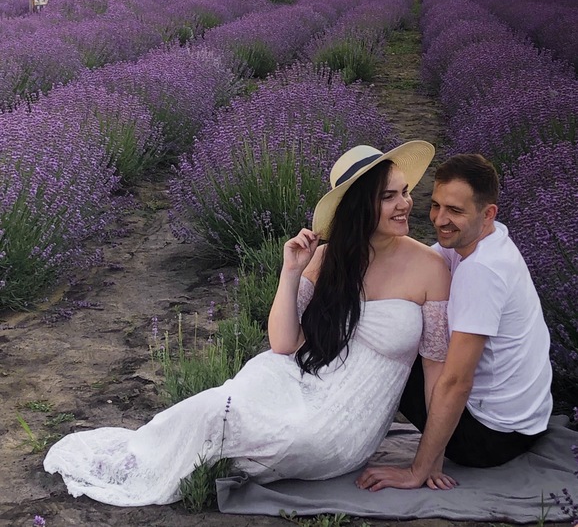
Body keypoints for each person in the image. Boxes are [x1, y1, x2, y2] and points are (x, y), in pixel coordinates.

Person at [44, 140, 453, 506]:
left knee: (299, 438)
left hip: (345, 422)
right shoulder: (327, 260)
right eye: (388, 197)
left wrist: (426, 463)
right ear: (359, 206)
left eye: (405, 192)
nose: (405, 204)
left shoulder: (429, 268)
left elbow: (438, 375)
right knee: (214, 409)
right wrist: (291, 272)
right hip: (291, 378)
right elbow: (283, 344)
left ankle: (213, 453)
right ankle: (146, 457)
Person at [356, 153, 553, 493]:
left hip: (492, 437)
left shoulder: (481, 272)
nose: (440, 220)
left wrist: (419, 469)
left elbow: (457, 382)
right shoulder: (482, 239)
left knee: (385, 348)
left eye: (455, 211)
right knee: (405, 320)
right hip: (529, 421)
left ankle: (340, 433)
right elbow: (413, 262)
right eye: (436, 205)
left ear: (487, 213)